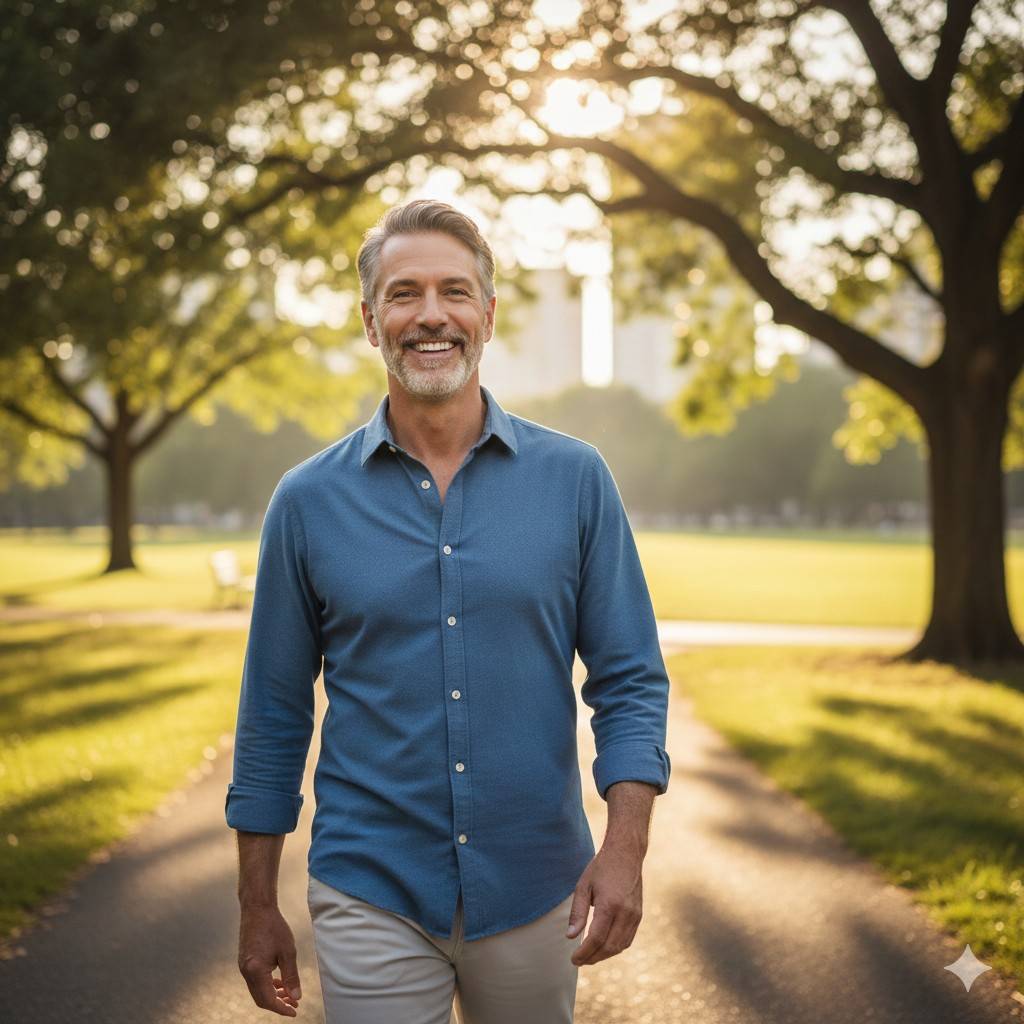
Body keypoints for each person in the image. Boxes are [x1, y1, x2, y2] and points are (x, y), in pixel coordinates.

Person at [226, 198, 672, 1023]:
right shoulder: (306, 502)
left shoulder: (576, 480)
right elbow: (273, 716)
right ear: (371, 322)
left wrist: (625, 849)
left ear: (488, 316)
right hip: (371, 887)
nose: (431, 315)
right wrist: (256, 904)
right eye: (404, 294)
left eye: (454, 291)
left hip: (537, 886)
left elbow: (631, 679)